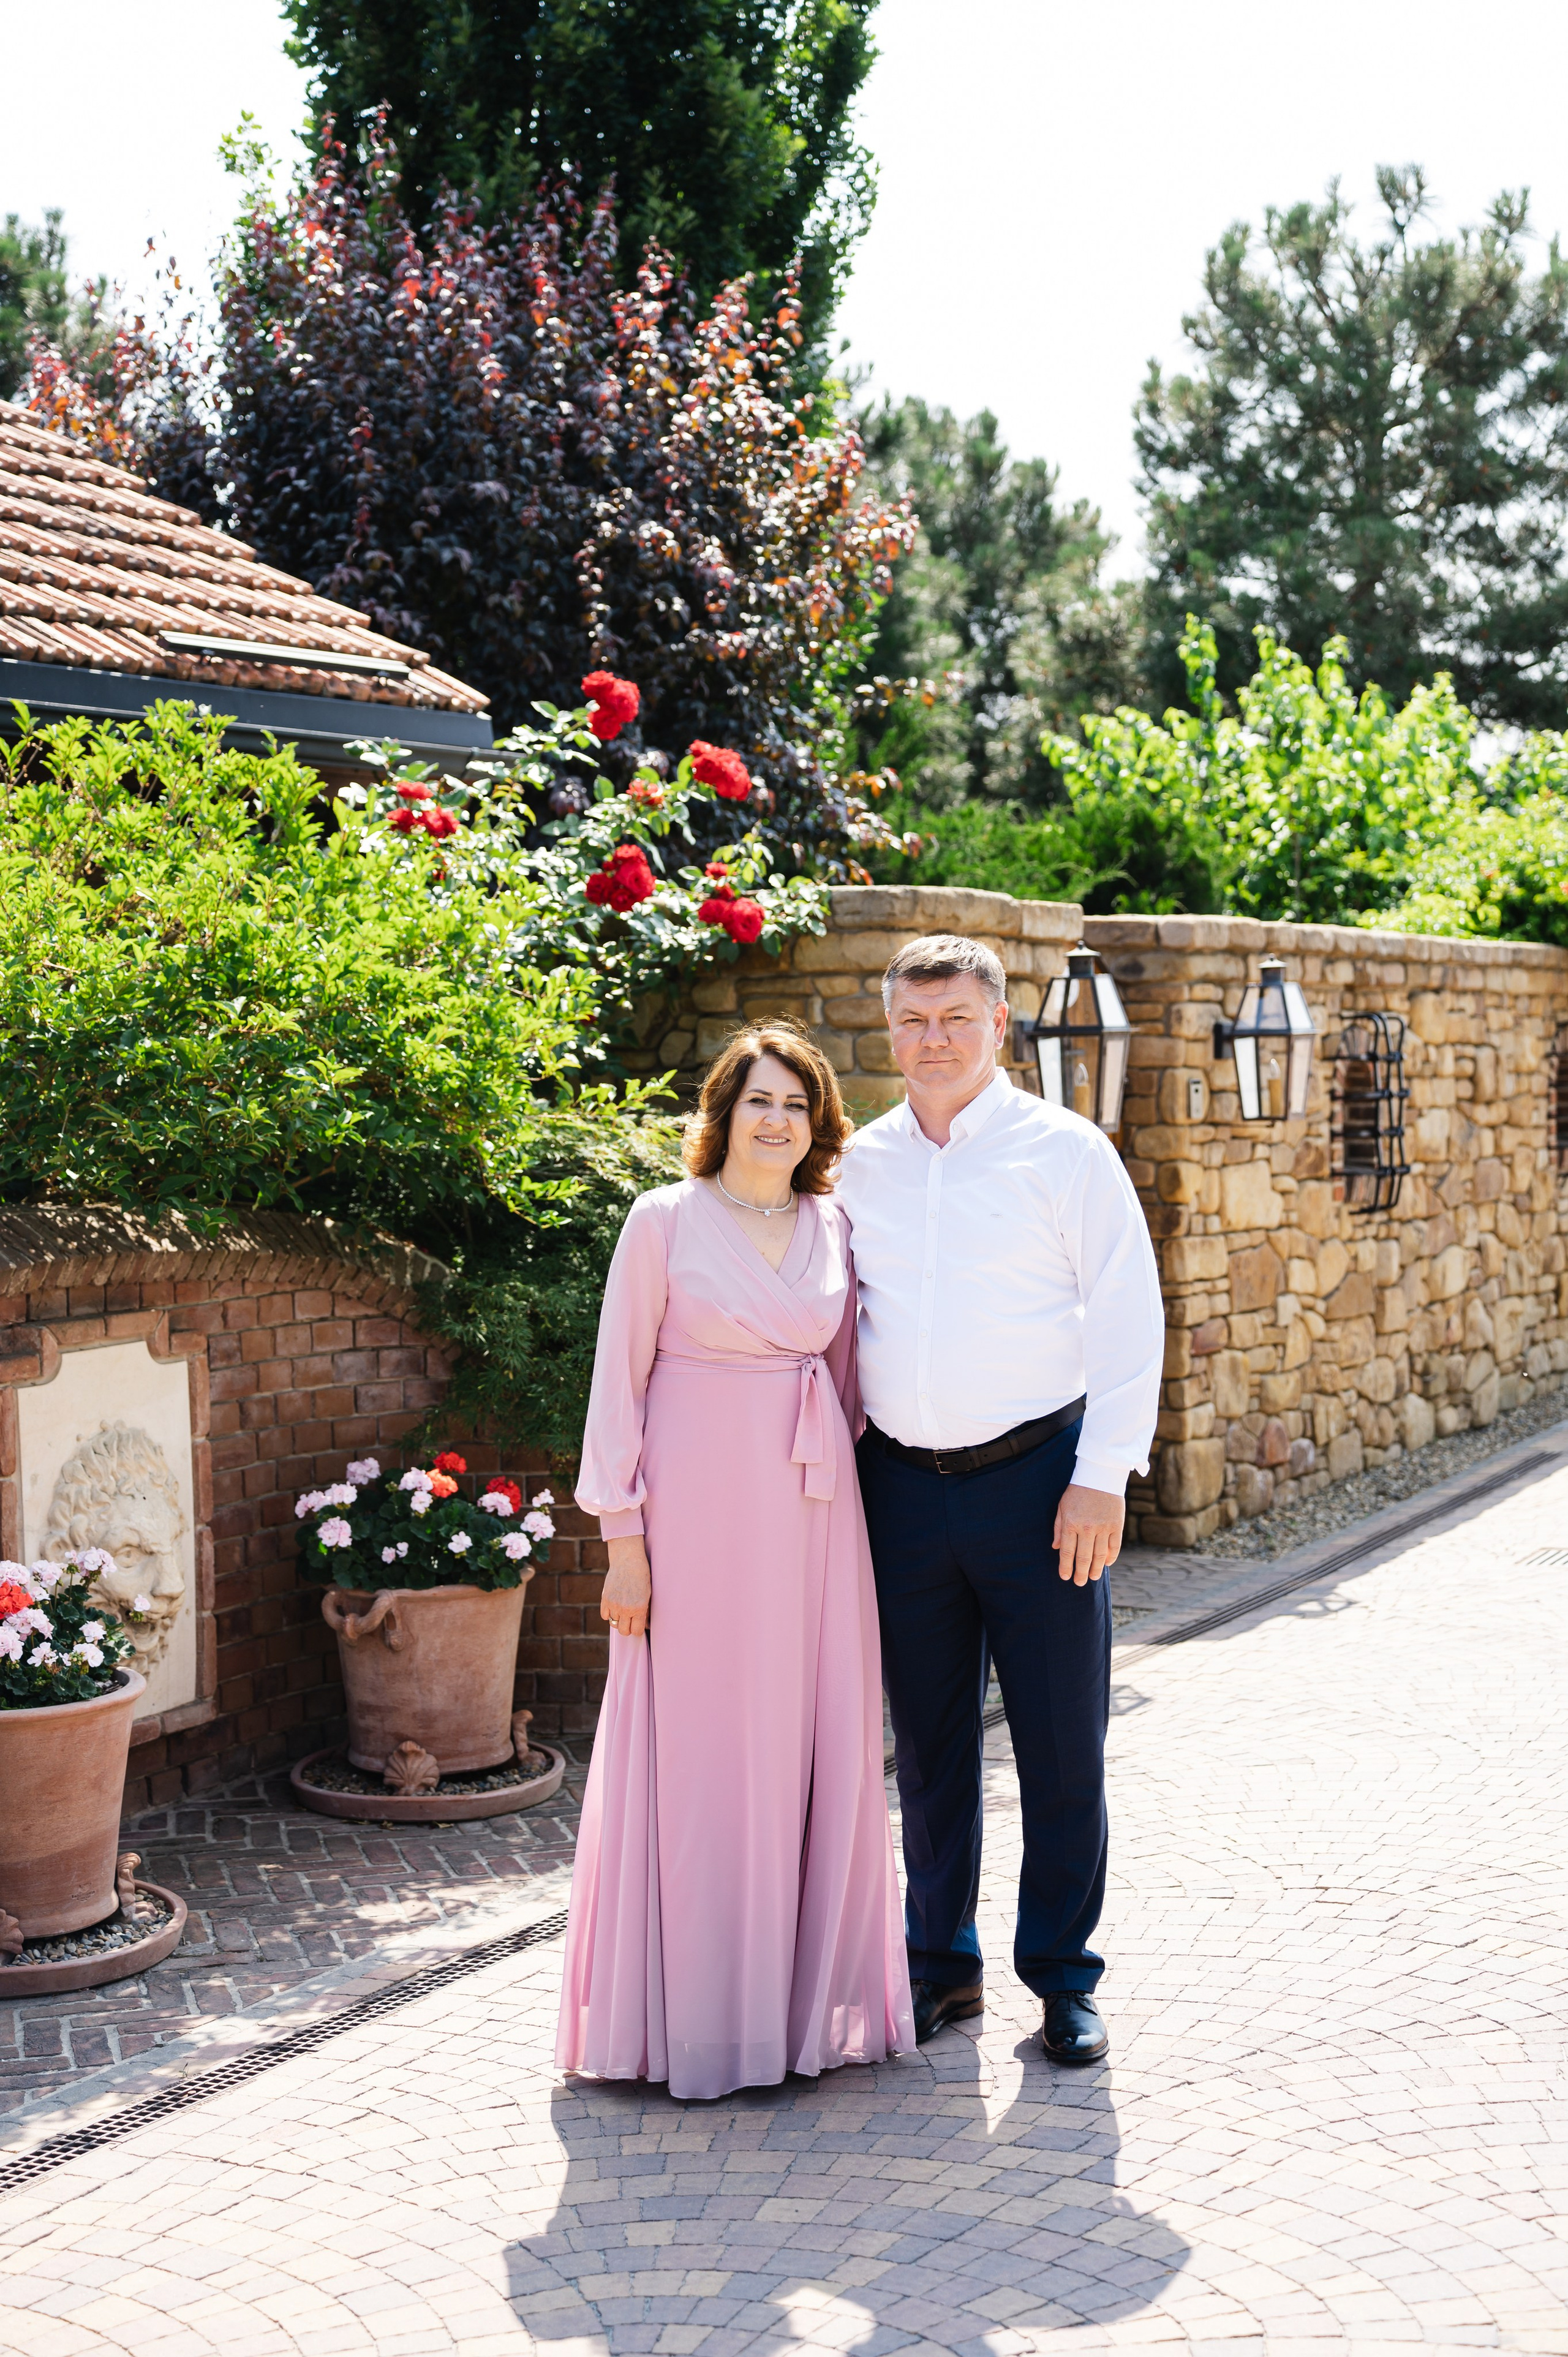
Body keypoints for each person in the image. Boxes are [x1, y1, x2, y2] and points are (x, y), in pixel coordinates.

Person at [557, 1021, 914, 2101]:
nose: (778, 1121)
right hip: (692, 1521)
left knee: (811, 1742)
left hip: (810, 1522)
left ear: (820, 1124)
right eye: (760, 1100)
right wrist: (626, 1543)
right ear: (724, 1112)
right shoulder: (663, 1221)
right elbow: (615, 1388)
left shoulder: (834, 1224)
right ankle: (700, 2021)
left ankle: (805, 2011)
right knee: (702, 1750)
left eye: (798, 1105)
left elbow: (852, 1388)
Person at [835, 935, 1164, 2066]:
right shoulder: (859, 1165)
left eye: (955, 1019)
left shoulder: (1064, 1153)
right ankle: (941, 1969)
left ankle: (1064, 1979)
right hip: (900, 1492)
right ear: (891, 1031)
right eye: (914, 1021)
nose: (934, 1039)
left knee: (1062, 1744)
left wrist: (1102, 1474)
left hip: (1041, 1487)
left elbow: (1128, 1315)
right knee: (927, 1752)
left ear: (1000, 1026)